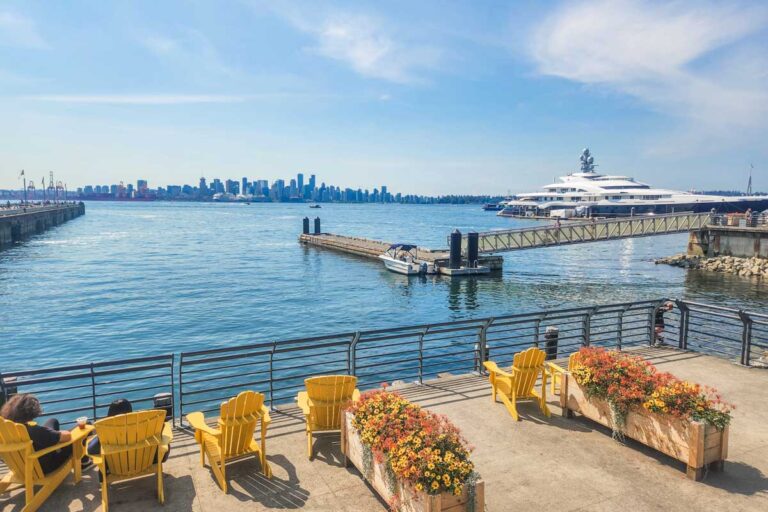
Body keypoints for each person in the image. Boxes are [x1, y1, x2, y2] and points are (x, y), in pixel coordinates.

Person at [0, 394, 73, 474]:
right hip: (42, 468)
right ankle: (82, 463)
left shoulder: (6, 430)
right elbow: (68, 436)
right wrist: (56, 434)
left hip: (19, 468)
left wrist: (51, 434)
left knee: (52, 421)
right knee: (76, 439)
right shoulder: (34, 431)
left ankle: (53, 438)